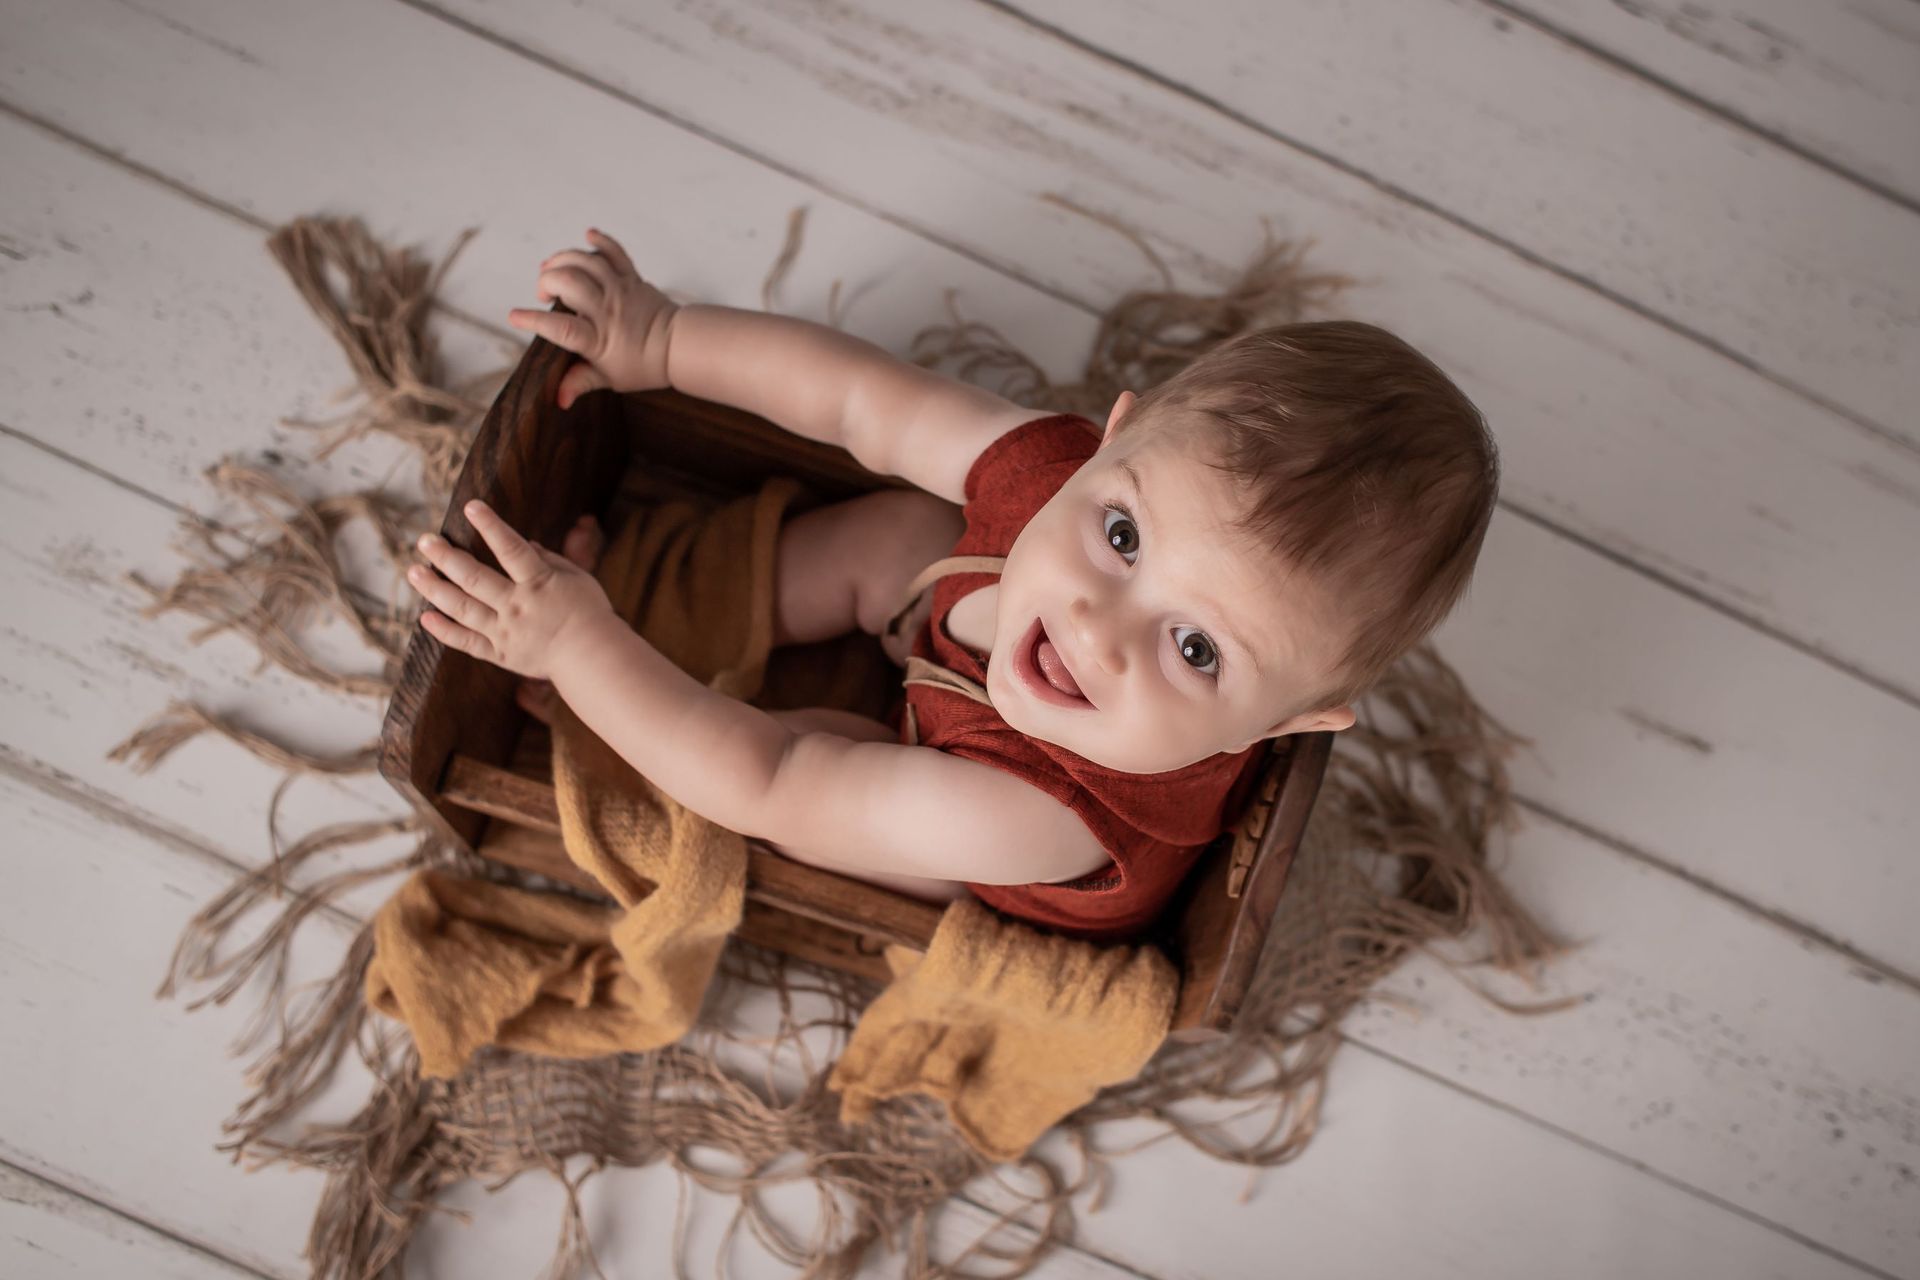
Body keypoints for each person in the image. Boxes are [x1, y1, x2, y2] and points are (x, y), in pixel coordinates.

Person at [406, 229, 1499, 941]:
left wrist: (574, 646)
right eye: (1121, 533)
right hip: (957, 665)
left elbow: (779, 775)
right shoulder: (1050, 471)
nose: (1095, 626)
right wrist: (667, 337)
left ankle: (590, 693)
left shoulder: (1050, 820)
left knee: (798, 763)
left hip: (958, 830)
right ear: (1107, 444)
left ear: (1291, 722)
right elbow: (860, 402)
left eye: (1197, 648)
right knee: (908, 532)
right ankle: (660, 611)